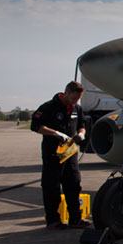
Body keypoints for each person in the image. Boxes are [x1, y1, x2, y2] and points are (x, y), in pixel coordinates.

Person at [31, 81, 89, 230]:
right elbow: (36, 125)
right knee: (52, 186)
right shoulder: (48, 107)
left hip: (70, 153)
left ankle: (75, 219)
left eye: (78, 99)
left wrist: (81, 134)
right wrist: (55, 133)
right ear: (66, 93)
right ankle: (53, 220)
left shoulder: (77, 109)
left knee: (74, 184)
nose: (75, 101)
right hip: (53, 153)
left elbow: (82, 125)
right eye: (73, 98)